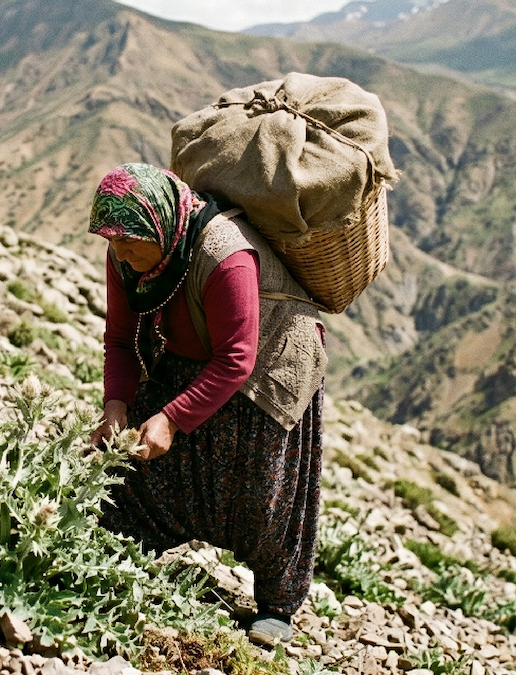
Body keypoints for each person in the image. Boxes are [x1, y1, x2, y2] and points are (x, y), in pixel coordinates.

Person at [87, 163, 327, 647]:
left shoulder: (225, 255)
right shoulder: (126, 259)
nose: (121, 253)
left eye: (130, 241)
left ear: (160, 225)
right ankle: (130, 541)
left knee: (262, 490)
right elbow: (119, 338)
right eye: (112, 241)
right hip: (192, 347)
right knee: (135, 455)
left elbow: (238, 358)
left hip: (270, 362)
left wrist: (173, 419)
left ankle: (277, 605)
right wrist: (116, 403)